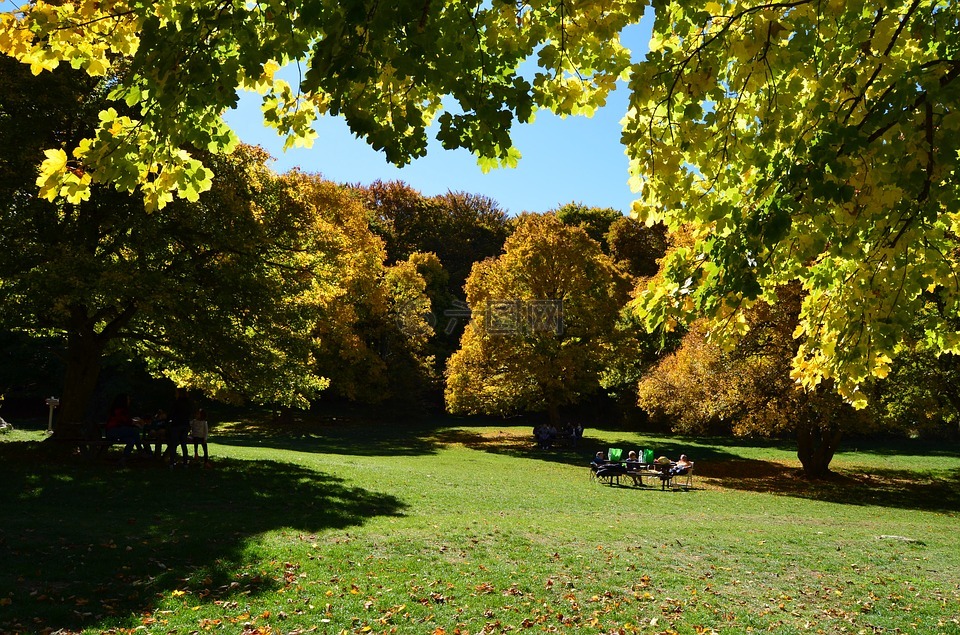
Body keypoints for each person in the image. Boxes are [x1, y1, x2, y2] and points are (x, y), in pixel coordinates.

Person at [105, 394, 146, 462]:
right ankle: (140, 451)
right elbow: (126, 421)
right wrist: (137, 422)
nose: (129, 401)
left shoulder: (119, 411)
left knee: (131, 440)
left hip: (118, 432)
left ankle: (124, 458)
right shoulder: (119, 411)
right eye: (128, 399)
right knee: (135, 432)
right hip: (113, 432)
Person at [166, 388, 192, 467]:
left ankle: (171, 462)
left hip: (176, 425)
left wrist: (168, 419)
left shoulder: (176, 403)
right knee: (183, 444)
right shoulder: (188, 403)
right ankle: (185, 462)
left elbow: (171, 413)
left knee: (174, 444)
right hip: (185, 425)